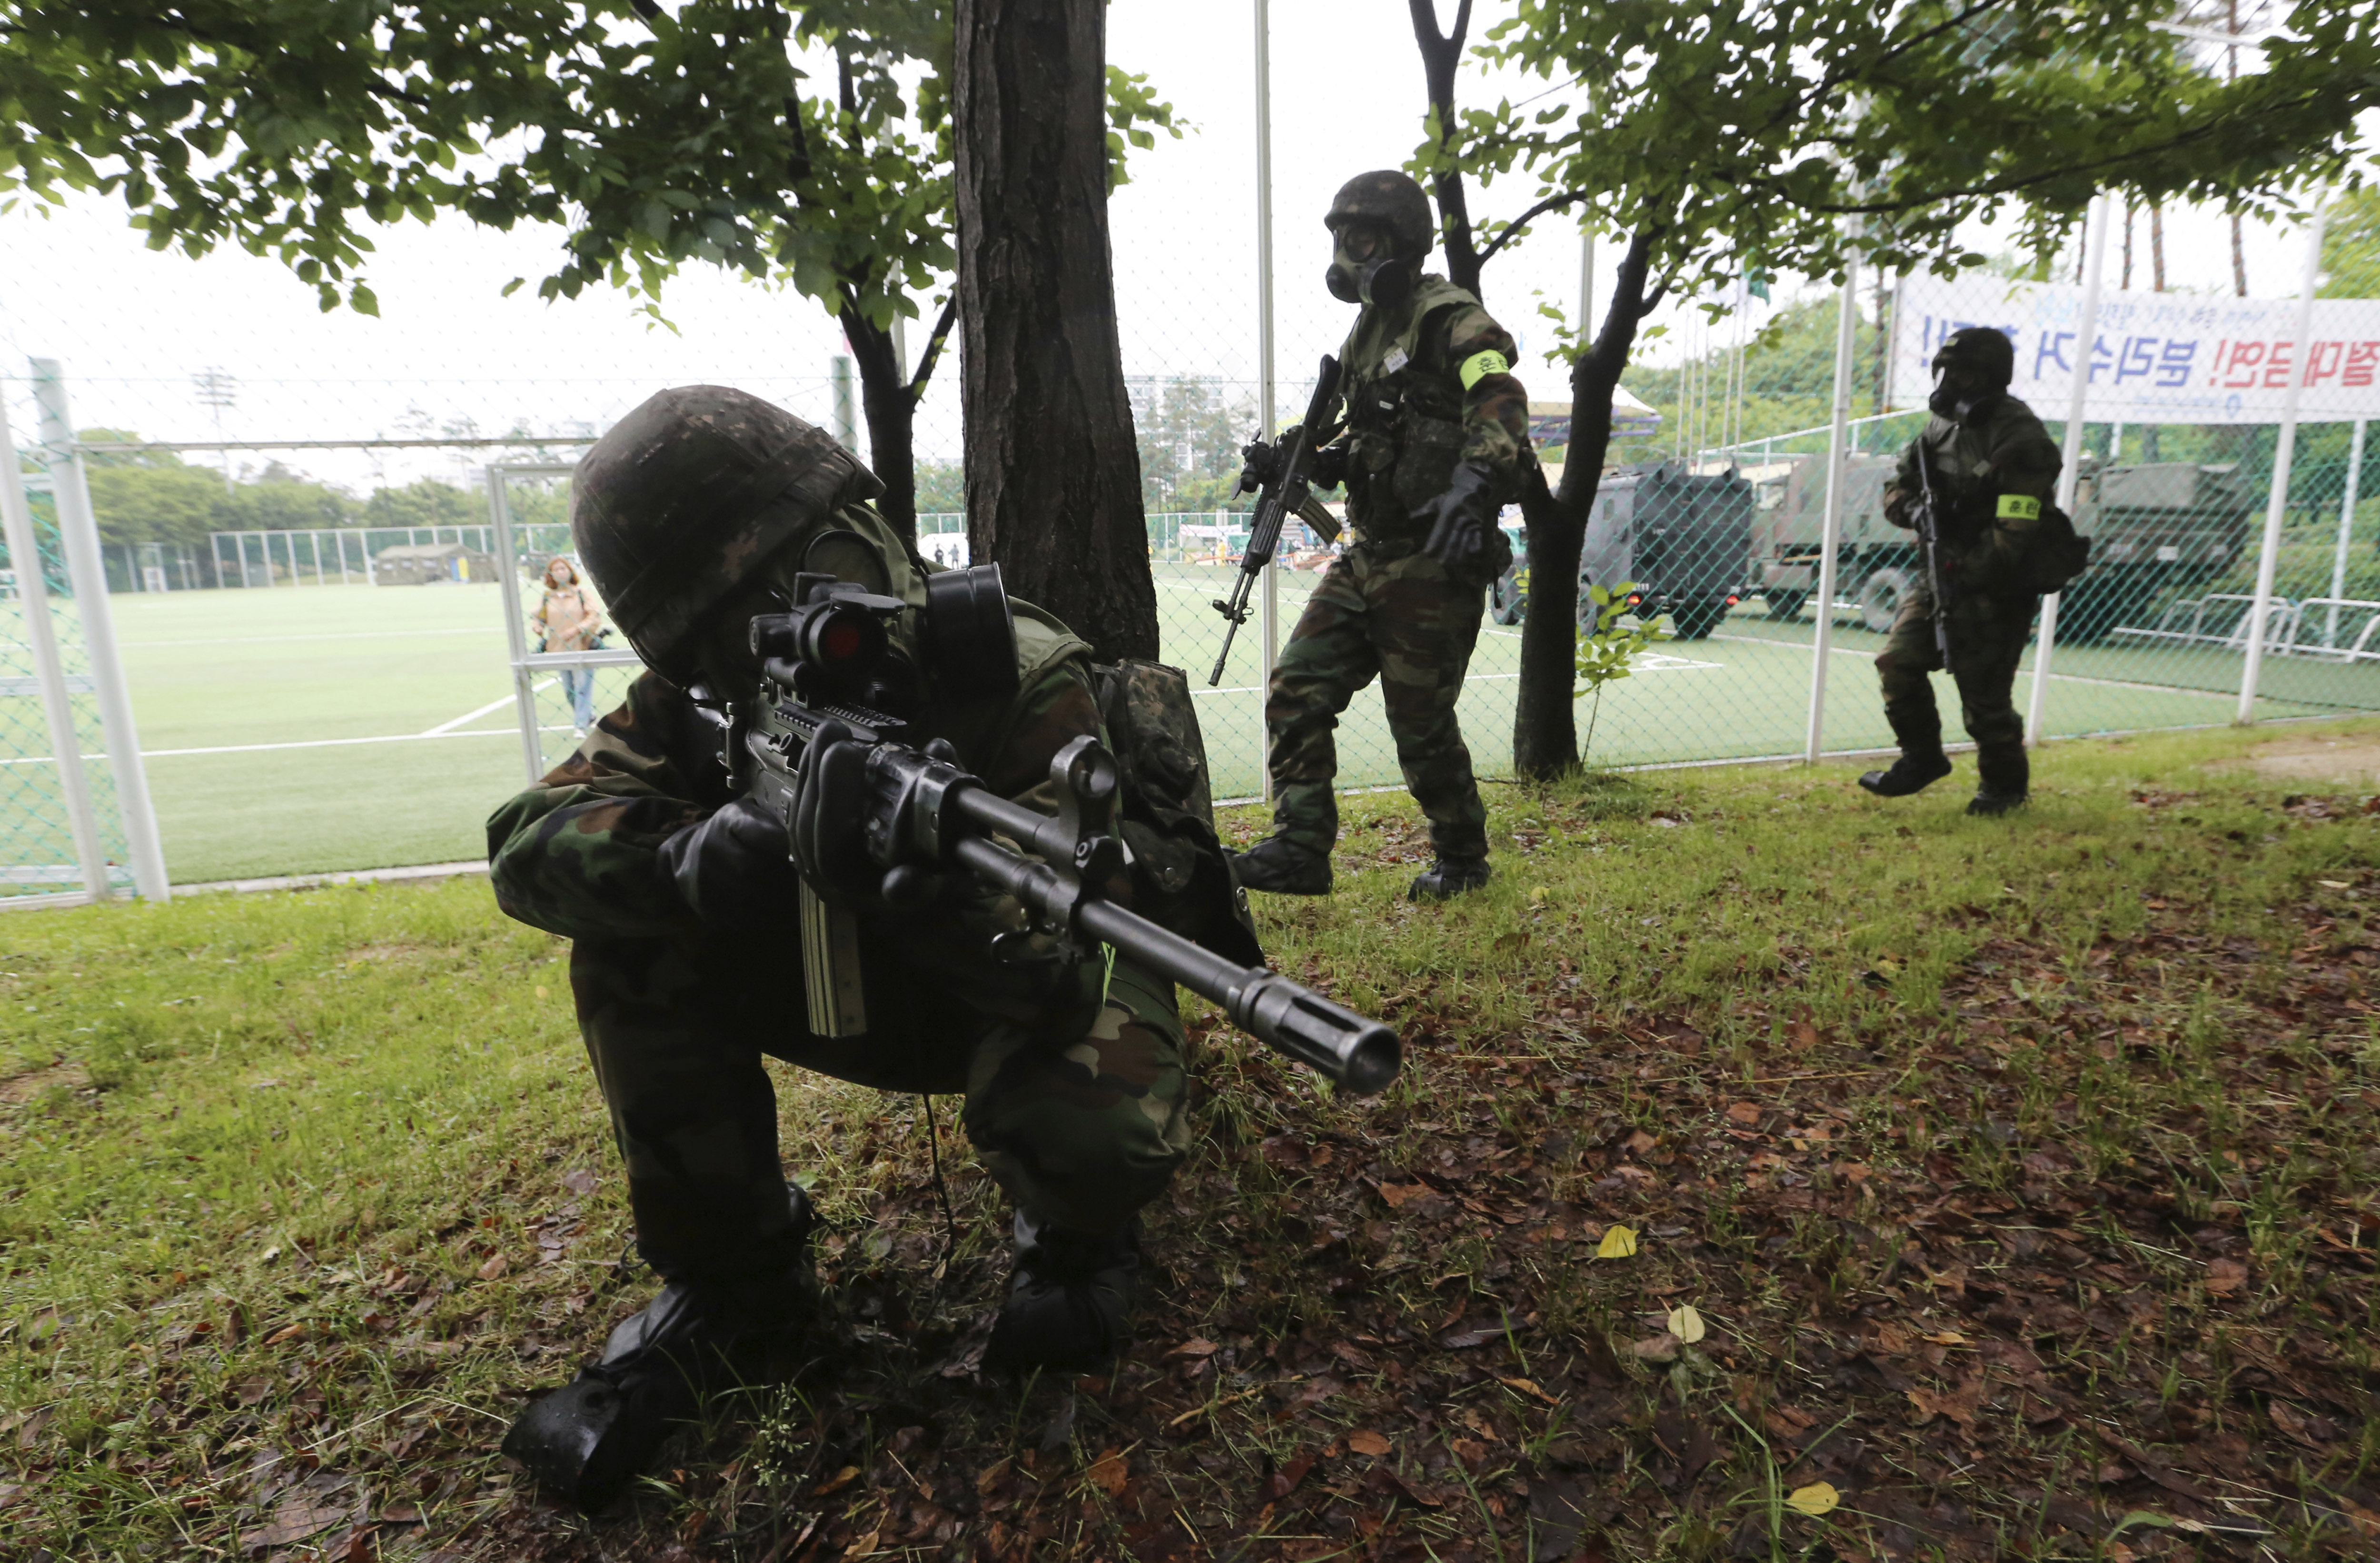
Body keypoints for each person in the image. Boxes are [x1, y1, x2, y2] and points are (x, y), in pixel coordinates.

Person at [485, 386, 1251, 1510]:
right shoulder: (701, 707)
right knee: (627, 947)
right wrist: (693, 860)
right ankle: (737, 1278)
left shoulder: (1018, 676)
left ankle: (1075, 1232)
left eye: (813, 567)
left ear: (868, 532)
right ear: (699, 645)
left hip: (1006, 976)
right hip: (850, 980)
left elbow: (1062, 959)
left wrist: (935, 903)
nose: (798, 618)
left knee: (1093, 1128)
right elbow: (523, 845)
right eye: (738, 613)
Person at [1227, 170, 1533, 903]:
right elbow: (1369, 444)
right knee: (1297, 686)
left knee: (1421, 726)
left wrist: (1471, 485)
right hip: (1368, 553)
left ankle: (1462, 857)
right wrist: (1306, 462)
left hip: (1434, 558)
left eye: (1359, 237)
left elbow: (1501, 394)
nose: (1346, 253)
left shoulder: (1446, 315)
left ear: (1400, 241)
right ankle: (1302, 846)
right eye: (1338, 237)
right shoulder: (1364, 334)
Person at [1858, 326, 2063, 816]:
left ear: (1989, 379)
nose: (1949, 382)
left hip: (1998, 583)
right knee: (1897, 663)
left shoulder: (2021, 437)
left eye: (1962, 373)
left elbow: (2016, 527)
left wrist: (1968, 573)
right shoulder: (1938, 427)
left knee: (1983, 696)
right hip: (1939, 569)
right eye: (1944, 371)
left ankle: (2003, 788)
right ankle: (1921, 758)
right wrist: (1911, 512)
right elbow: (1898, 484)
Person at [532, 555, 605, 734]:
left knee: (583, 688)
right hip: (558, 649)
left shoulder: (581, 594)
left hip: (582, 647)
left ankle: (580, 726)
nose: (560, 572)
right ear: (550, 574)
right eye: (556, 569)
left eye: (563, 568)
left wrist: (577, 629)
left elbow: (593, 615)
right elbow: (539, 617)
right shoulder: (548, 597)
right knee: (569, 691)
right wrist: (538, 626)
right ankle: (587, 716)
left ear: (570, 572)